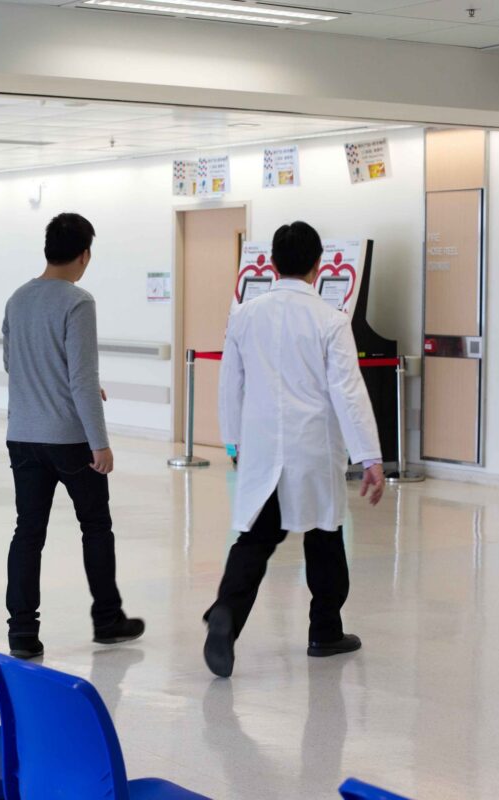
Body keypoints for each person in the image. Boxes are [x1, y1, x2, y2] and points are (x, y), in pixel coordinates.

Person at [203, 221, 384, 679]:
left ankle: (226, 613)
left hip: (263, 445)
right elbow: (348, 390)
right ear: (318, 264)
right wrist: (370, 456)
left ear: (271, 263)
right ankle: (325, 631)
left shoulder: (245, 315)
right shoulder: (331, 320)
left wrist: (233, 441)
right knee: (324, 534)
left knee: (255, 537)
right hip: (313, 446)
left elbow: (230, 383)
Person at [1, 212, 144, 660]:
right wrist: (100, 443)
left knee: (28, 532)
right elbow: (82, 379)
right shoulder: (78, 302)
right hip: (69, 439)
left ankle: (22, 633)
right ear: (84, 255)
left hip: (22, 435)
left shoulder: (17, 299)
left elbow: (12, 364)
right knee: (96, 527)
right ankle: (108, 619)